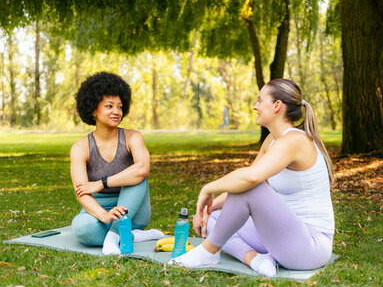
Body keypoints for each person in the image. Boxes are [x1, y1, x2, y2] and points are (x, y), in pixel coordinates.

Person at [169, 79, 335, 276]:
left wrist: (208, 189)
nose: (255, 106)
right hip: (284, 235)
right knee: (214, 220)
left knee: (251, 187)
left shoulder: (295, 141)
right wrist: (207, 210)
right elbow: (248, 177)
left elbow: (250, 179)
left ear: (276, 106)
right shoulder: (273, 140)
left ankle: (208, 251)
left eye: (259, 100)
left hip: (310, 247)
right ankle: (254, 259)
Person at [70, 72, 164, 255]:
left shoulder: (133, 137)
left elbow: (142, 170)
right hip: (100, 209)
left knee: (136, 174)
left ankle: (114, 235)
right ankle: (133, 236)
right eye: (109, 106)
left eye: (120, 107)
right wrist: (104, 215)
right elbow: (81, 192)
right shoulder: (80, 148)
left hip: (133, 209)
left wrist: (101, 183)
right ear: (93, 110)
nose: (116, 111)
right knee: (82, 229)